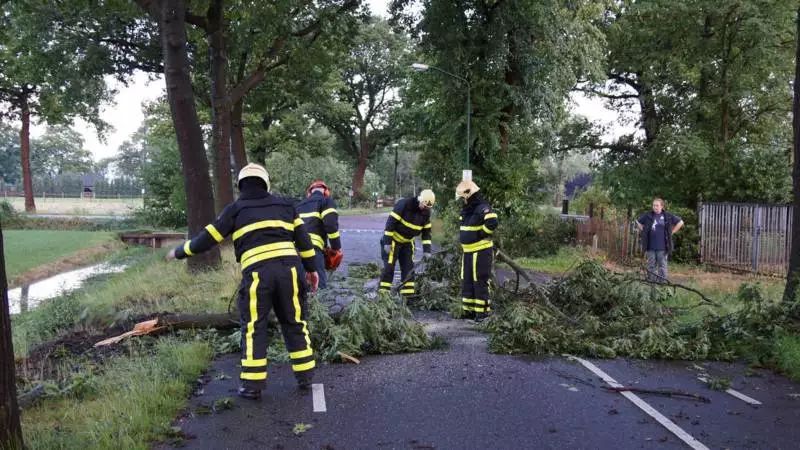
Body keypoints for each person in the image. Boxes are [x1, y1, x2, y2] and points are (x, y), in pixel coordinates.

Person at [166, 163, 319, 400]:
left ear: (241, 185)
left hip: (259, 276)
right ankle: (305, 377)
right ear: (265, 182)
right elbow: (305, 243)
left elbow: (208, 238)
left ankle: (253, 385)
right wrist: (312, 270)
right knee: (294, 322)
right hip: (290, 272)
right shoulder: (287, 206)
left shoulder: (235, 210)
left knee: (254, 327)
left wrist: (180, 252)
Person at [379, 190, 435, 296]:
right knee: (389, 267)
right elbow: (390, 223)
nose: (425, 208)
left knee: (408, 268)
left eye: (428, 207)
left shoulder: (426, 213)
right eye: (424, 205)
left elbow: (426, 233)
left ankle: (407, 296)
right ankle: (383, 295)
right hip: (393, 241)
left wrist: (427, 251)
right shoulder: (404, 205)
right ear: (420, 200)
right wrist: (387, 242)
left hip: (408, 243)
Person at [456, 179, 498, 322]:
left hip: (481, 251)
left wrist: (482, 233)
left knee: (479, 281)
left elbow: (492, 222)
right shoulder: (467, 210)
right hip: (467, 252)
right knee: (467, 280)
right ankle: (469, 311)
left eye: (463, 197)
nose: (462, 200)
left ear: (468, 195)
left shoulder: (482, 207)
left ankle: (483, 313)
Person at [296, 180, 342, 289]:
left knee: (299, 288)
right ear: (326, 192)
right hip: (313, 251)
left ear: (309, 193)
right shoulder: (326, 201)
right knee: (318, 287)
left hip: (296, 251)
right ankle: (317, 304)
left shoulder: (299, 205)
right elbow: (331, 226)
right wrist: (336, 248)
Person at [636, 197, 684, 283]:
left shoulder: (667, 216)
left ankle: (662, 283)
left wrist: (672, 232)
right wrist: (644, 230)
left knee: (662, 265)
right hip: (650, 246)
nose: (655, 207)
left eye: (657, 205)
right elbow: (638, 221)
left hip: (663, 246)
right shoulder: (648, 215)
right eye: (654, 205)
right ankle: (652, 282)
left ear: (662, 206)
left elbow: (680, 222)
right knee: (651, 265)